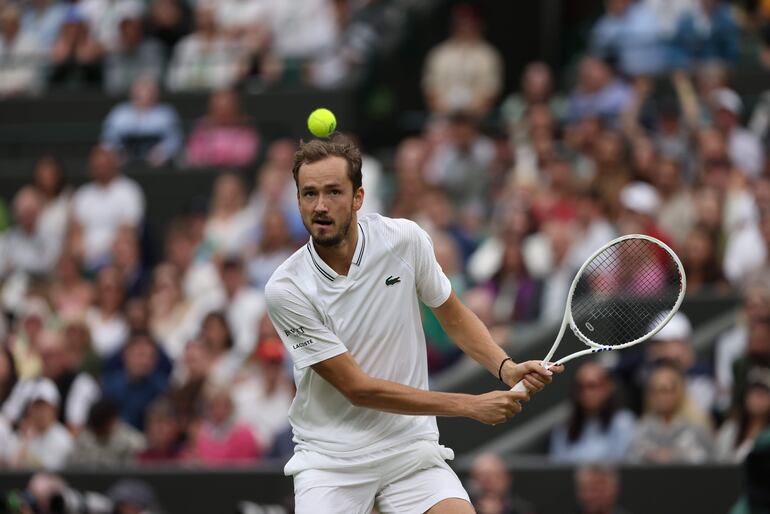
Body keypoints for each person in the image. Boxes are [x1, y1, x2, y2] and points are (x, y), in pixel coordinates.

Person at [265, 136, 562, 513]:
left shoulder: (403, 240)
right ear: (298, 201)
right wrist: (470, 406)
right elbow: (359, 390)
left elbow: (452, 314)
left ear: (358, 197)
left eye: (333, 192)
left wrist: (504, 367)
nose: (320, 206)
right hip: (332, 460)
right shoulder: (286, 289)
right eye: (309, 194)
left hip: (408, 449)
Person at [550, 362, 636, 463]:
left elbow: (624, 466)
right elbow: (557, 468)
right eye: (580, 387)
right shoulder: (563, 428)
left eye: (592, 386)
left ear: (609, 387)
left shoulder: (624, 422)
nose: (586, 393)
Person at [466, 453, 536, 514]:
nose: (488, 484)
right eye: (481, 477)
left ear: (507, 479)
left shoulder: (521, 509)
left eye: (495, 476)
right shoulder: (462, 506)